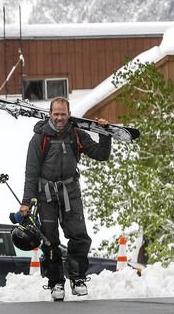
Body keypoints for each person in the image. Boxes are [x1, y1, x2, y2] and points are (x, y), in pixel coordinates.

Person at [20, 97, 111, 301]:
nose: (59, 117)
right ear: (50, 114)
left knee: (79, 236)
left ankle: (77, 279)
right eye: (56, 114)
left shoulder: (76, 135)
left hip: (71, 192)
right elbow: (31, 172)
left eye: (63, 114)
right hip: (46, 196)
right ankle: (56, 283)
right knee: (50, 241)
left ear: (69, 114)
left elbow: (100, 155)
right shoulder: (39, 139)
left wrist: (104, 134)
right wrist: (27, 201)